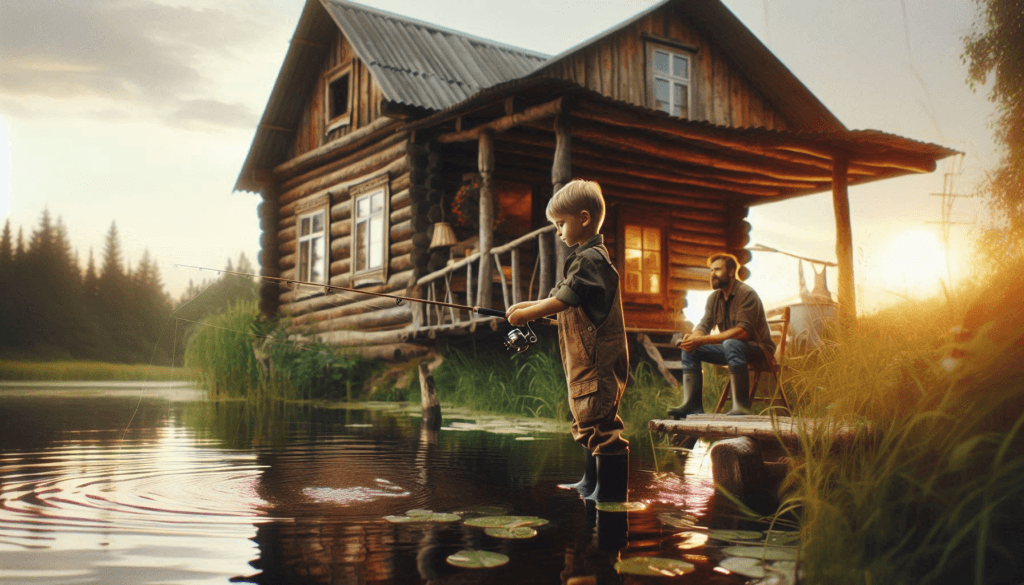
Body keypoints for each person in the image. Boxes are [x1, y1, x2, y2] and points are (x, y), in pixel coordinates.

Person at [506, 179, 630, 502]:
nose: (558, 231)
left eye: (561, 223)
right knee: (587, 420)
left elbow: (564, 301)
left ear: (584, 219)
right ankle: (591, 482)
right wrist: (525, 308)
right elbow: (563, 302)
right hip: (585, 362)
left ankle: (611, 491)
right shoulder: (582, 259)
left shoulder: (591, 260)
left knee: (603, 425)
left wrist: (526, 314)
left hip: (598, 362)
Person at [667, 253, 775, 418]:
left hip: (759, 350)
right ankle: (692, 405)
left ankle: (741, 408)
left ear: (731, 272)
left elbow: (743, 331)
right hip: (733, 349)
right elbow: (704, 324)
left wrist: (702, 339)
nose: (712, 274)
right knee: (691, 349)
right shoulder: (714, 298)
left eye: (717, 270)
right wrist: (692, 338)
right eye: (711, 270)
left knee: (731, 344)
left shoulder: (746, 294)